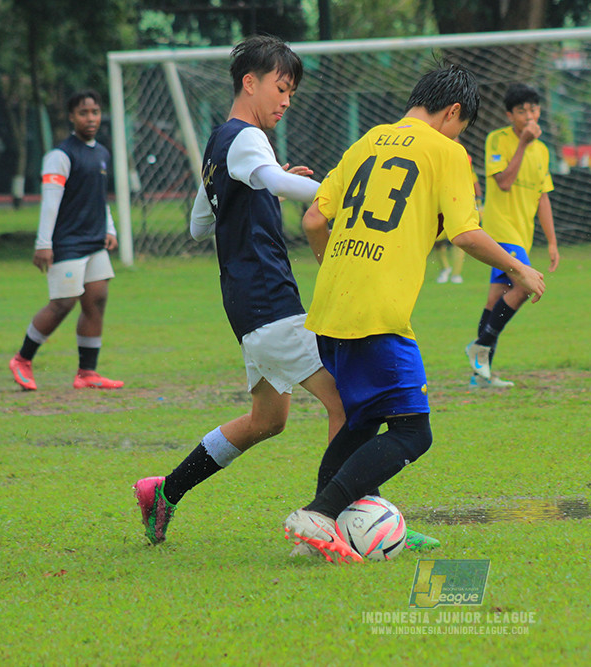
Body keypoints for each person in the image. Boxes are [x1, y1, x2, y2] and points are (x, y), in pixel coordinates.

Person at [131, 36, 439, 556]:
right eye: (281, 87)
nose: (287, 100)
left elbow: (199, 224)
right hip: (270, 303)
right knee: (349, 404)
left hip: (247, 307)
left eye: (291, 91)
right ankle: (335, 522)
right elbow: (273, 181)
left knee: (266, 421)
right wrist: (343, 194)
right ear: (249, 82)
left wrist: (263, 184)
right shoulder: (247, 137)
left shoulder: (219, 143)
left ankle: (164, 491)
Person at [285, 63, 546, 564]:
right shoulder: (446, 152)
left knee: (361, 422)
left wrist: (335, 265)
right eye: (461, 127)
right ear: (453, 113)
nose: (458, 136)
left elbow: (315, 218)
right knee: (412, 431)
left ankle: (322, 530)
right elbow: (465, 233)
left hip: (330, 303)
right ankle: (319, 513)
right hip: (377, 313)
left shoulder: (366, 141)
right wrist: (519, 269)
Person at [8, 90, 124, 391]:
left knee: (96, 301)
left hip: (95, 241)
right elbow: (50, 203)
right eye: (83, 113)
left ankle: (87, 373)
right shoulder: (60, 156)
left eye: (95, 112)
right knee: (63, 303)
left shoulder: (102, 153)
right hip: (68, 242)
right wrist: (43, 244)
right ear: (72, 117)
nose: (91, 118)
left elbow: (99, 197)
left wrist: (110, 228)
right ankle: (22, 359)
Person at [464, 83, 560, 389]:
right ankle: (480, 347)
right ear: (510, 115)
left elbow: (543, 197)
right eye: (521, 111)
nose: (529, 115)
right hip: (500, 229)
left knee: (496, 299)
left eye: (533, 109)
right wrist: (522, 144)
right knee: (525, 286)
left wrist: (552, 242)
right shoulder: (498, 139)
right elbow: (504, 182)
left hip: (522, 234)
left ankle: (481, 375)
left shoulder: (542, 150)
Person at [433, 139, 481, 284]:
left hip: (458, 202)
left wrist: (479, 199)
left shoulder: (464, 157)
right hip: (440, 203)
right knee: (437, 240)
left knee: (460, 236)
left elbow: (473, 179)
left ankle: (456, 274)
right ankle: (445, 268)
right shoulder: (436, 155)